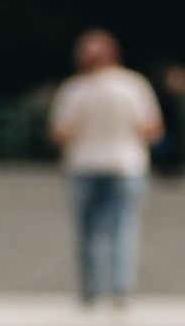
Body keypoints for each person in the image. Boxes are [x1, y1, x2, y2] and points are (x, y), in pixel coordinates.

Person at [47, 27, 164, 307]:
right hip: (126, 164)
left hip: (84, 164)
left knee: (87, 231)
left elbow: (60, 133)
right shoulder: (133, 85)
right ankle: (120, 288)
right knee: (123, 229)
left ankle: (91, 290)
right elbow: (152, 130)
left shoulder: (75, 89)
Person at [155, 63, 185, 185]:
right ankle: (168, 169)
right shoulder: (167, 97)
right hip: (168, 130)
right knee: (168, 150)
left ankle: (171, 169)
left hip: (174, 130)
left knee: (174, 150)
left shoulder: (175, 97)